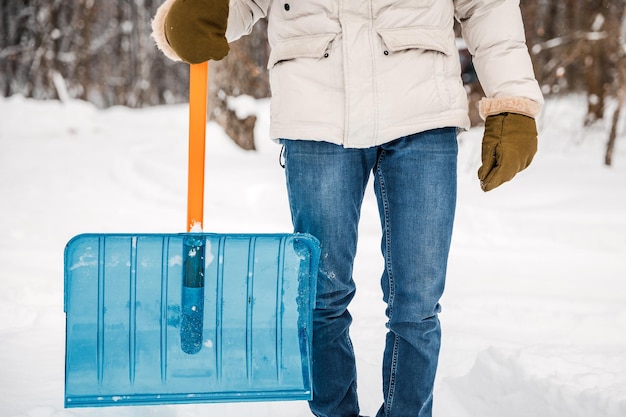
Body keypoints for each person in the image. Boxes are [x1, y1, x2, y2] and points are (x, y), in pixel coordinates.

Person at [151, 1, 543, 416]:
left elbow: (487, 6)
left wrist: (512, 97)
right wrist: (198, 12)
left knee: (418, 303)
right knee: (322, 295)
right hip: (316, 115)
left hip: (422, 109)